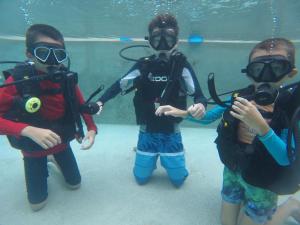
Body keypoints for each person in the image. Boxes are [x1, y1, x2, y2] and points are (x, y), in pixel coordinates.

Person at [156, 38, 300, 225]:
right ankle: (245, 200)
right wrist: (183, 113)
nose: (266, 75)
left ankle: (291, 206)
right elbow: (208, 117)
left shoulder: (289, 108)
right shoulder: (241, 98)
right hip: (234, 170)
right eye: (258, 69)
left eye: (277, 68)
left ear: (291, 72)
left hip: (264, 179)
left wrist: (262, 127)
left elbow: (286, 159)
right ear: (249, 73)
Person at [96, 13, 206, 187]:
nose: (162, 46)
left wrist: (200, 105)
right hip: (147, 128)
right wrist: (100, 101)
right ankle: (145, 152)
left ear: (176, 42)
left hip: (172, 130)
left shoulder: (181, 65)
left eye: (168, 40)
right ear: (150, 42)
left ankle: (173, 152)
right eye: (157, 40)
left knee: (178, 181)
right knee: (140, 179)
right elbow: (119, 85)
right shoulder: (144, 65)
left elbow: (199, 95)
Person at [0, 24, 97, 211]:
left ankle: (52, 158)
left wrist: (92, 128)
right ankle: (46, 161)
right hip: (32, 151)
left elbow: (81, 105)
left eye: (59, 55)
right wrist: (26, 130)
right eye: (43, 52)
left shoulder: (66, 79)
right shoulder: (17, 81)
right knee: (37, 204)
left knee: (75, 184)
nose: (52, 61)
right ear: (29, 54)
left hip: (61, 142)